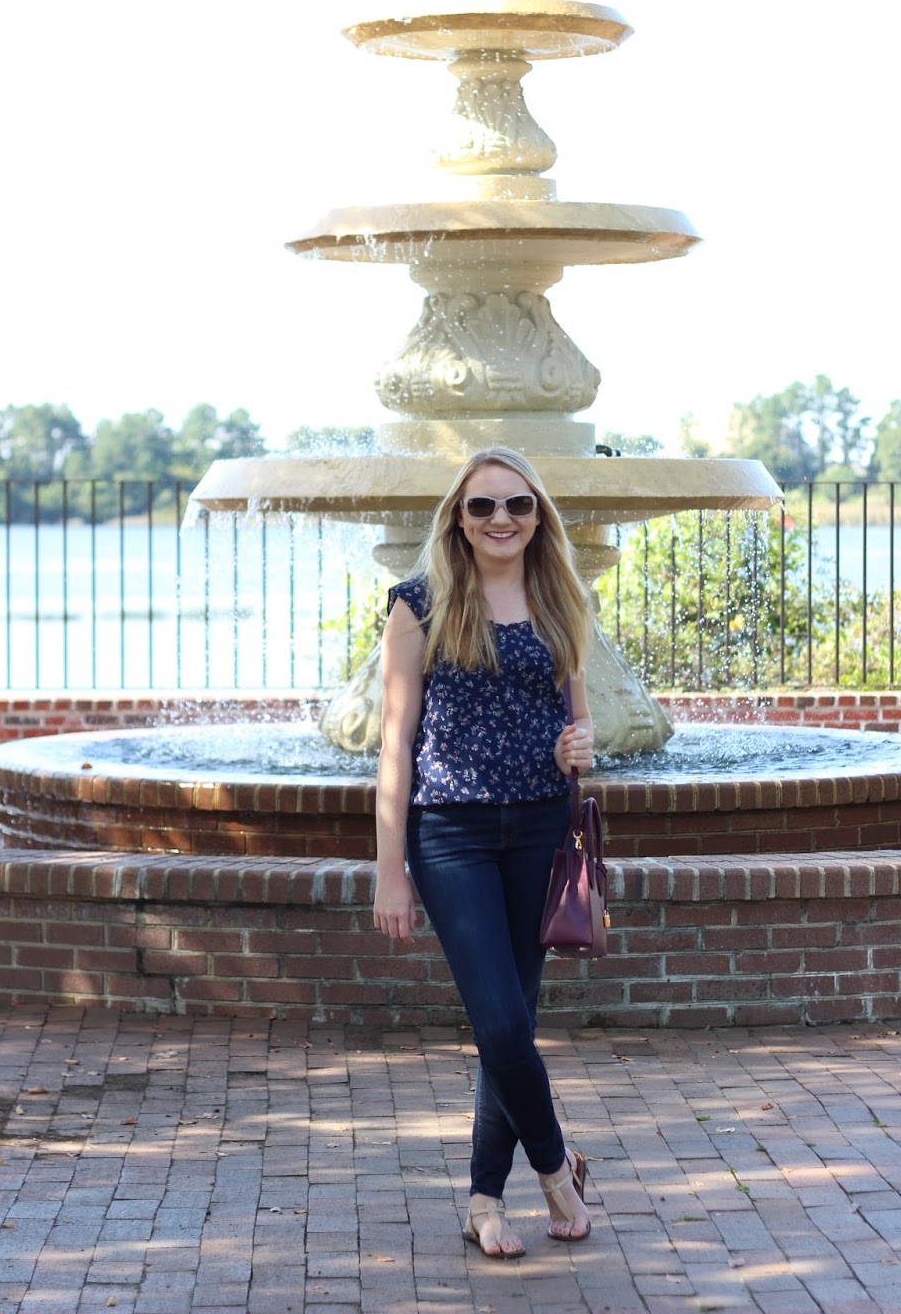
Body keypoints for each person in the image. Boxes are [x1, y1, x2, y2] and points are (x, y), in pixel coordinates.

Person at [373, 445, 596, 1258]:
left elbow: (579, 722)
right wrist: (389, 870)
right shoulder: (419, 605)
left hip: (539, 828)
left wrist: (579, 744)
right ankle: (557, 1171)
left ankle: (483, 1201)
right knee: (500, 1022)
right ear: (459, 521)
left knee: (513, 1027)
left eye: (518, 504)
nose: (502, 518)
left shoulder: (560, 596)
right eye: (483, 506)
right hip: (450, 835)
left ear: (538, 516)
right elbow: (394, 744)